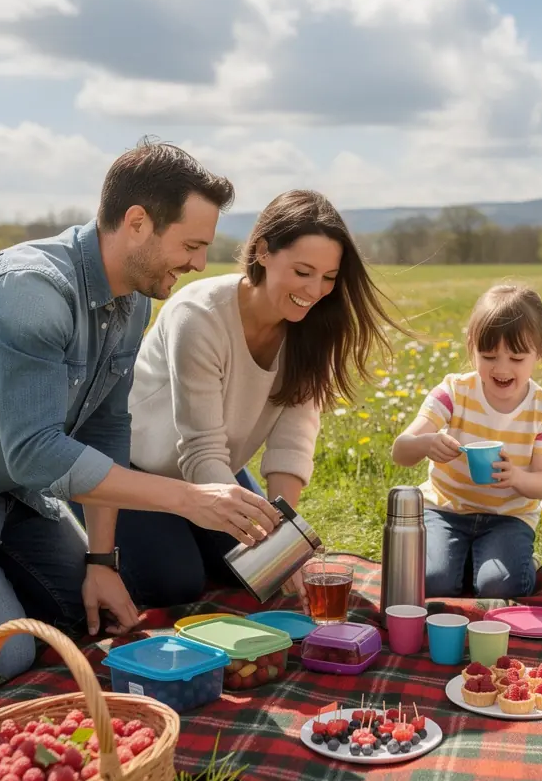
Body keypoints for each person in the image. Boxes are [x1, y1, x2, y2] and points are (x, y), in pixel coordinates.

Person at [0, 140, 281, 682]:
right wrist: (189, 499)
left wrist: (102, 561)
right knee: (1, 655)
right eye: (190, 244)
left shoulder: (133, 298)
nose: (198, 263)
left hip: (6, 490)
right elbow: (34, 452)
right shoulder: (29, 292)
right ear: (137, 222)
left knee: (89, 616)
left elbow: (107, 429)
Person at [109, 189, 401, 605]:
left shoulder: (310, 328)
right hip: (139, 472)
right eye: (302, 271)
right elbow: (201, 451)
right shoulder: (200, 316)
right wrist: (274, 542)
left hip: (215, 473)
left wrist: (283, 529)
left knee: (257, 573)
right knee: (175, 584)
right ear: (263, 251)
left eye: (329, 277)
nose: (315, 289)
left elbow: (291, 444)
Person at [392, 284, 542, 599]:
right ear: (471, 346)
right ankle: (468, 560)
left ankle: (503, 562)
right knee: (432, 583)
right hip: (445, 509)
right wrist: (426, 443)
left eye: (516, 357)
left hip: (508, 518)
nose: (501, 368)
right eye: (488, 356)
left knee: (498, 588)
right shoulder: (454, 392)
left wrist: (515, 478)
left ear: (541, 352)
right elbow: (400, 450)